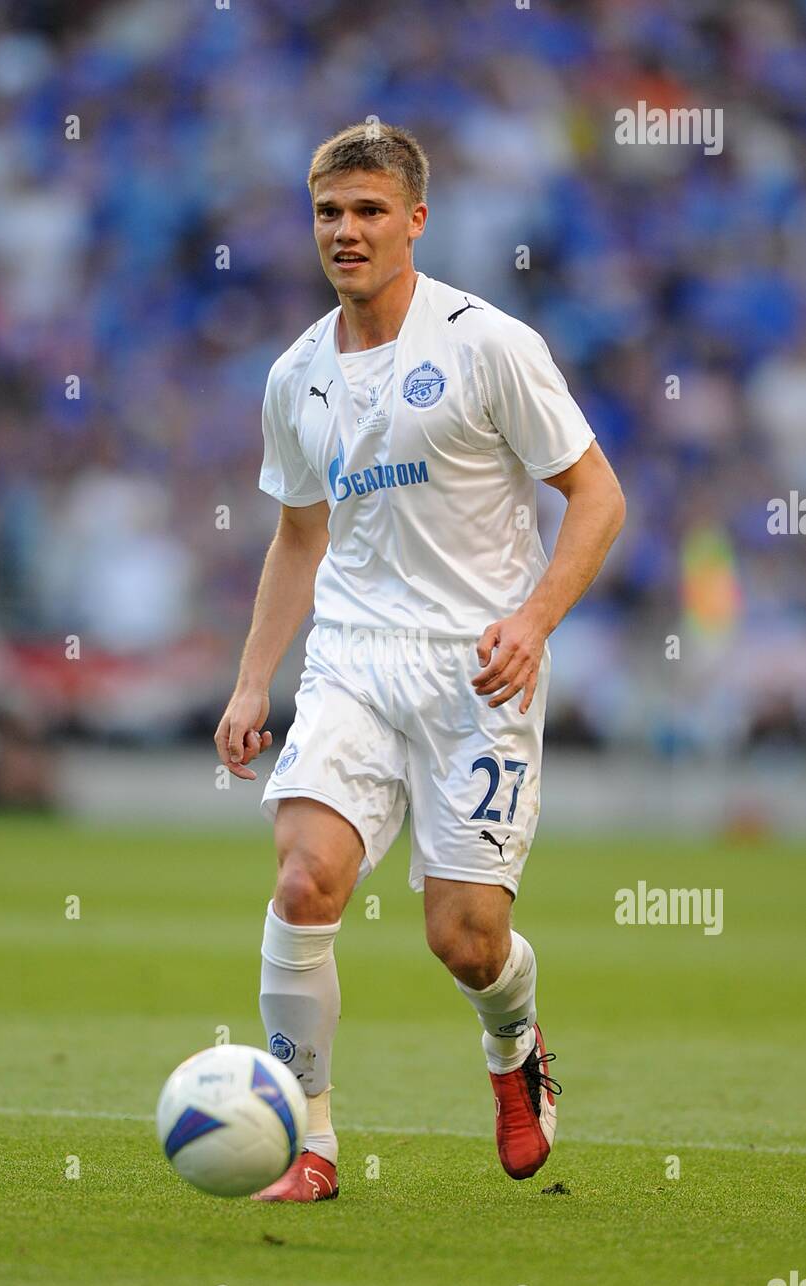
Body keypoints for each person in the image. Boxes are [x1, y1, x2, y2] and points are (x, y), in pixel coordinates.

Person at [214, 122, 625, 1201]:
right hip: (351, 660)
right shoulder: (296, 374)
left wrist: (532, 620)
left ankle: (513, 1041)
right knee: (305, 879)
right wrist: (256, 677)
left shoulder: (488, 343)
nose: (344, 232)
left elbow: (597, 496)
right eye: (326, 213)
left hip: (474, 671)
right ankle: (307, 1141)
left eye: (366, 211)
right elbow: (299, 533)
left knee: (465, 936)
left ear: (414, 222)